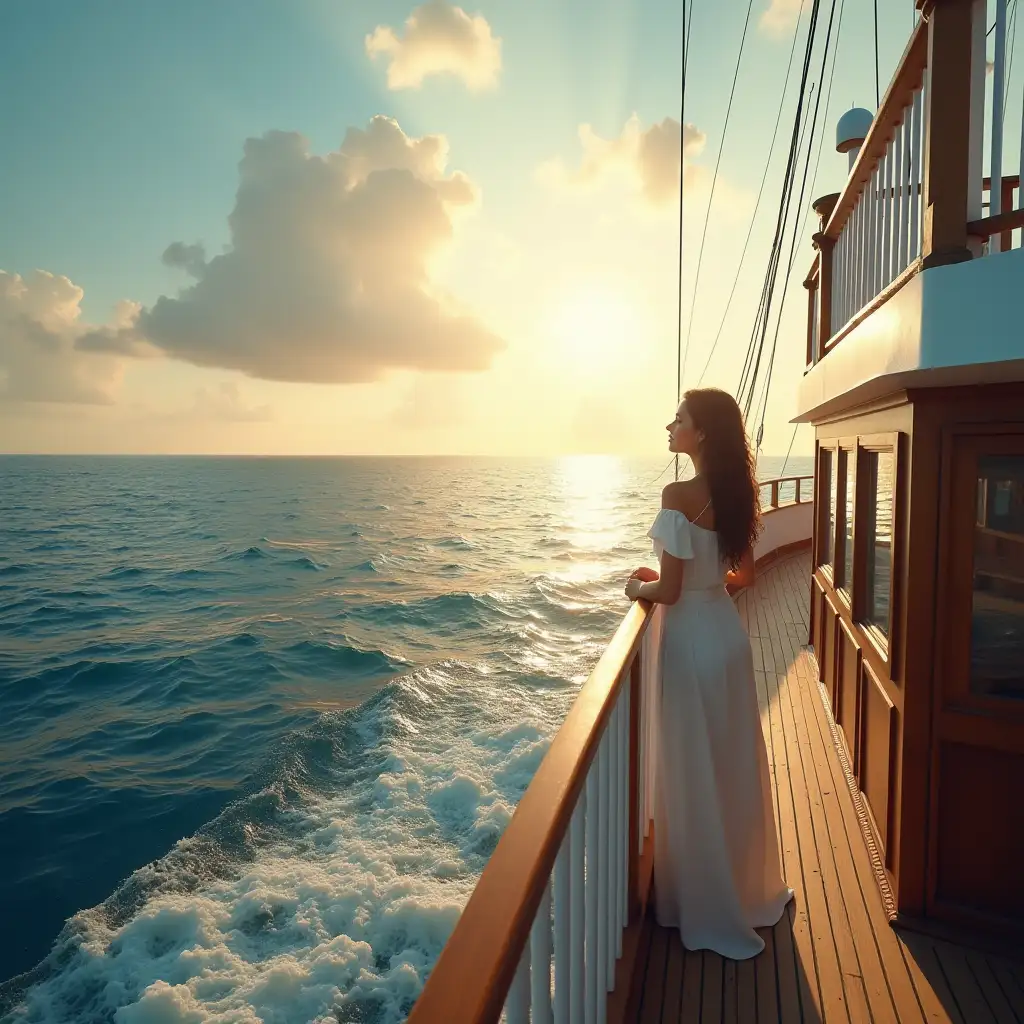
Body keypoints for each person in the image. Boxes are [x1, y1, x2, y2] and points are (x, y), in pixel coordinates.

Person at [624, 387, 793, 959]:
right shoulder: (738, 493)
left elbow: (669, 589)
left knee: (692, 766)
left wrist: (637, 587)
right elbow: (741, 579)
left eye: (679, 420)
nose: (669, 427)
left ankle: (700, 902)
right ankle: (747, 893)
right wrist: (684, 574)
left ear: (701, 434)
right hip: (727, 637)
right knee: (731, 764)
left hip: (691, 643)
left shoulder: (676, 492)